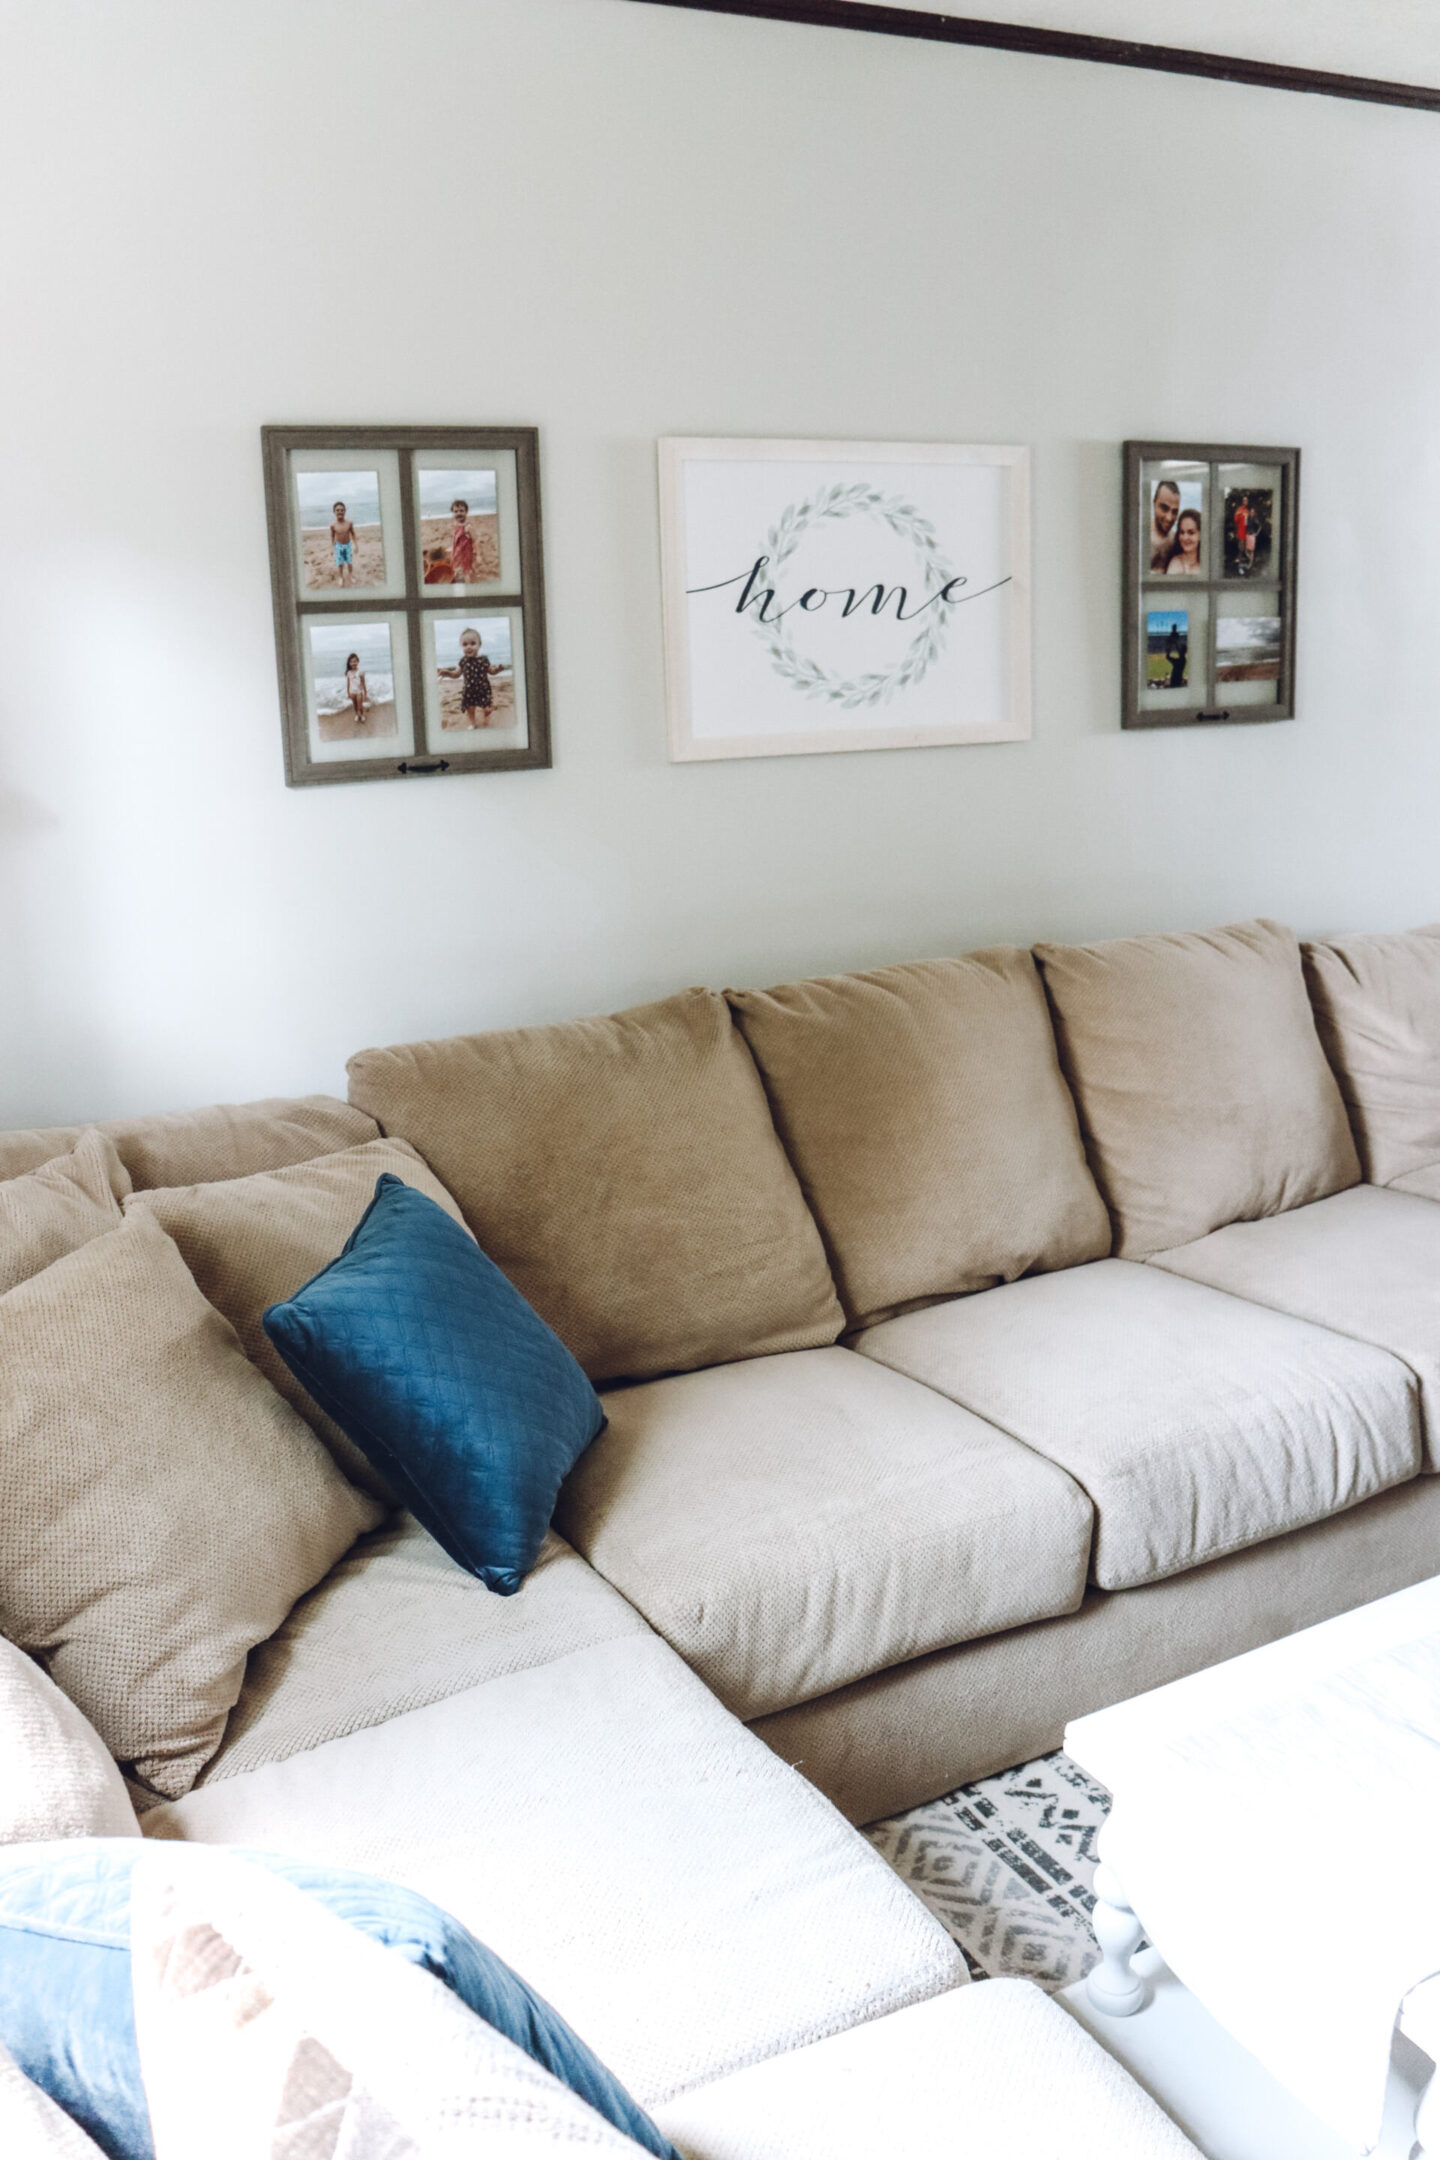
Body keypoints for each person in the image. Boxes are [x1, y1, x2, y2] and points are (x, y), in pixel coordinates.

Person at [438, 626, 494, 728]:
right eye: (465, 644)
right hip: (469, 691)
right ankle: (472, 723)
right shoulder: (463, 661)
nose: (468, 647)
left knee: (488, 709)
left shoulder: (484, 660)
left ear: (479, 644)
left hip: (484, 690)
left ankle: (486, 718)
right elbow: (456, 674)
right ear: (461, 646)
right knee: (470, 709)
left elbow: (491, 671)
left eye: (473, 643)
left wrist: (498, 669)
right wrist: (447, 673)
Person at [1149, 480, 1181, 572]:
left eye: (1175, 512)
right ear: (1154, 503)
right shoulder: (1139, 537)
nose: (1169, 518)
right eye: (1164, 508)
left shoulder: (1176, 540)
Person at [1165, 509, 1203, 575]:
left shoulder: (1208, 564)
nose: (1185, 538)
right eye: (1182, 532)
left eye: (1191, 532)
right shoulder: (1175, 564)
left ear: (1200, 535)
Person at [330, 502, 358, 588]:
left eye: (342, 510)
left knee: (349, 563)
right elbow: (332, 536)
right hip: (338, 546)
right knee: (340, 564)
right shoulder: (333, 525)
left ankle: (351, 575)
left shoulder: (349, 523)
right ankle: (341, 577)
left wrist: (356, 545)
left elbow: (353, 534)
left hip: (348, 545)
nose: (340, 512)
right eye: (337, 510)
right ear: (334, 512)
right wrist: (332, 547)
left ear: (345, 511)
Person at [450, 499, 477, 583]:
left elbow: (475, 540)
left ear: (466, 512)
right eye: (456, 511)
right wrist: (452, 552)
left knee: (466, 573)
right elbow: (454, 540)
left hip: (466, 555)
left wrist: (478, 555)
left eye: (461, 511)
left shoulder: (468, 527)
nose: (459, 513)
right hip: (457, 554)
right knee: (457, 571)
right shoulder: (455, 526)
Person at [343, 652, 369, 729]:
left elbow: (363, 683)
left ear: (358, 661)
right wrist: (348, 692)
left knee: (360, 705)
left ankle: (362, 714)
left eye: (355, 661)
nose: (353, 663)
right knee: (355, 705)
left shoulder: (360, 672)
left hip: (359, 692)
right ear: (349, 663)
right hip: (352, 692)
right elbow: (348, 683)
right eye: (351, 662)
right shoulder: (348, 673)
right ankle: (357, 715)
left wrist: (365, 693)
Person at [1165, 620, 1187, 690]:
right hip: (1178, 681)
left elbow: (1168, 657)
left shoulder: (1179, 661)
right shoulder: (1183, 660)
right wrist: (1175, 643)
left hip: (1175, 682)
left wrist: (1169, 648)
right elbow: (1179, 651)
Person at [1231, 496, 1249, 576]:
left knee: (1245, 550)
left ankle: (1242, 566)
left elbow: (1248, 522)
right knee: (1241, 550)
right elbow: (1235, 520)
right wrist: (1240, 515)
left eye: (1246, 500)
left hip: (1246, 533)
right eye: (1244, 500)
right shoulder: (1239, 509)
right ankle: (1239, 568)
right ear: (1242, 501)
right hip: (1241, 532)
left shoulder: (1247, 510)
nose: (1245, 501)